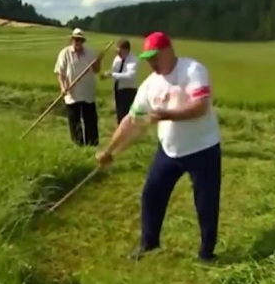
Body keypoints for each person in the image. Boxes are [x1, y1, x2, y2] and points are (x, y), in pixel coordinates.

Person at [95, 32, 222, 264]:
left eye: (155, 56)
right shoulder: (149, 86)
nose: (151, 62)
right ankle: (149, 243)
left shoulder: (192, 70)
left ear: (168, 51)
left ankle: (206, 253)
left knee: (206, 203)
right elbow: (131, 121)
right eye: (147, 57)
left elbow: (201, 107)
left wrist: (167, 114)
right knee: (152, 194)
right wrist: (109, 150)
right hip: (169, 150)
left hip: (203, 148)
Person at [54, 28, 102, 147]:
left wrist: (99, 61)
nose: (77, 42)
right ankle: (78, 144)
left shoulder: (90, 53)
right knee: (74, 121)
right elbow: (60, 73)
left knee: (90, 120)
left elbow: (96, 70)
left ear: (83, 41)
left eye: (80, 40)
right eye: (76, 39)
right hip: (72, 93)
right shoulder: (64, 53)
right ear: (72, 40)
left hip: (87, 93)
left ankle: (92, 144)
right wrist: (63, 87)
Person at [101, 38, 138, 124]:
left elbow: (130, 75)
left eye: (119, 51)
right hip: (118, 90)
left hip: (128, 91)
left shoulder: (134, 60)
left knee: (127, 115)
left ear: (126, 50)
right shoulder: (117, 59)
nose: (117, 54)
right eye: (116, 51)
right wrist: (107, 75)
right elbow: (113, 71)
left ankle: (128, 134)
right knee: (119, 114)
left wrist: (112, 74)